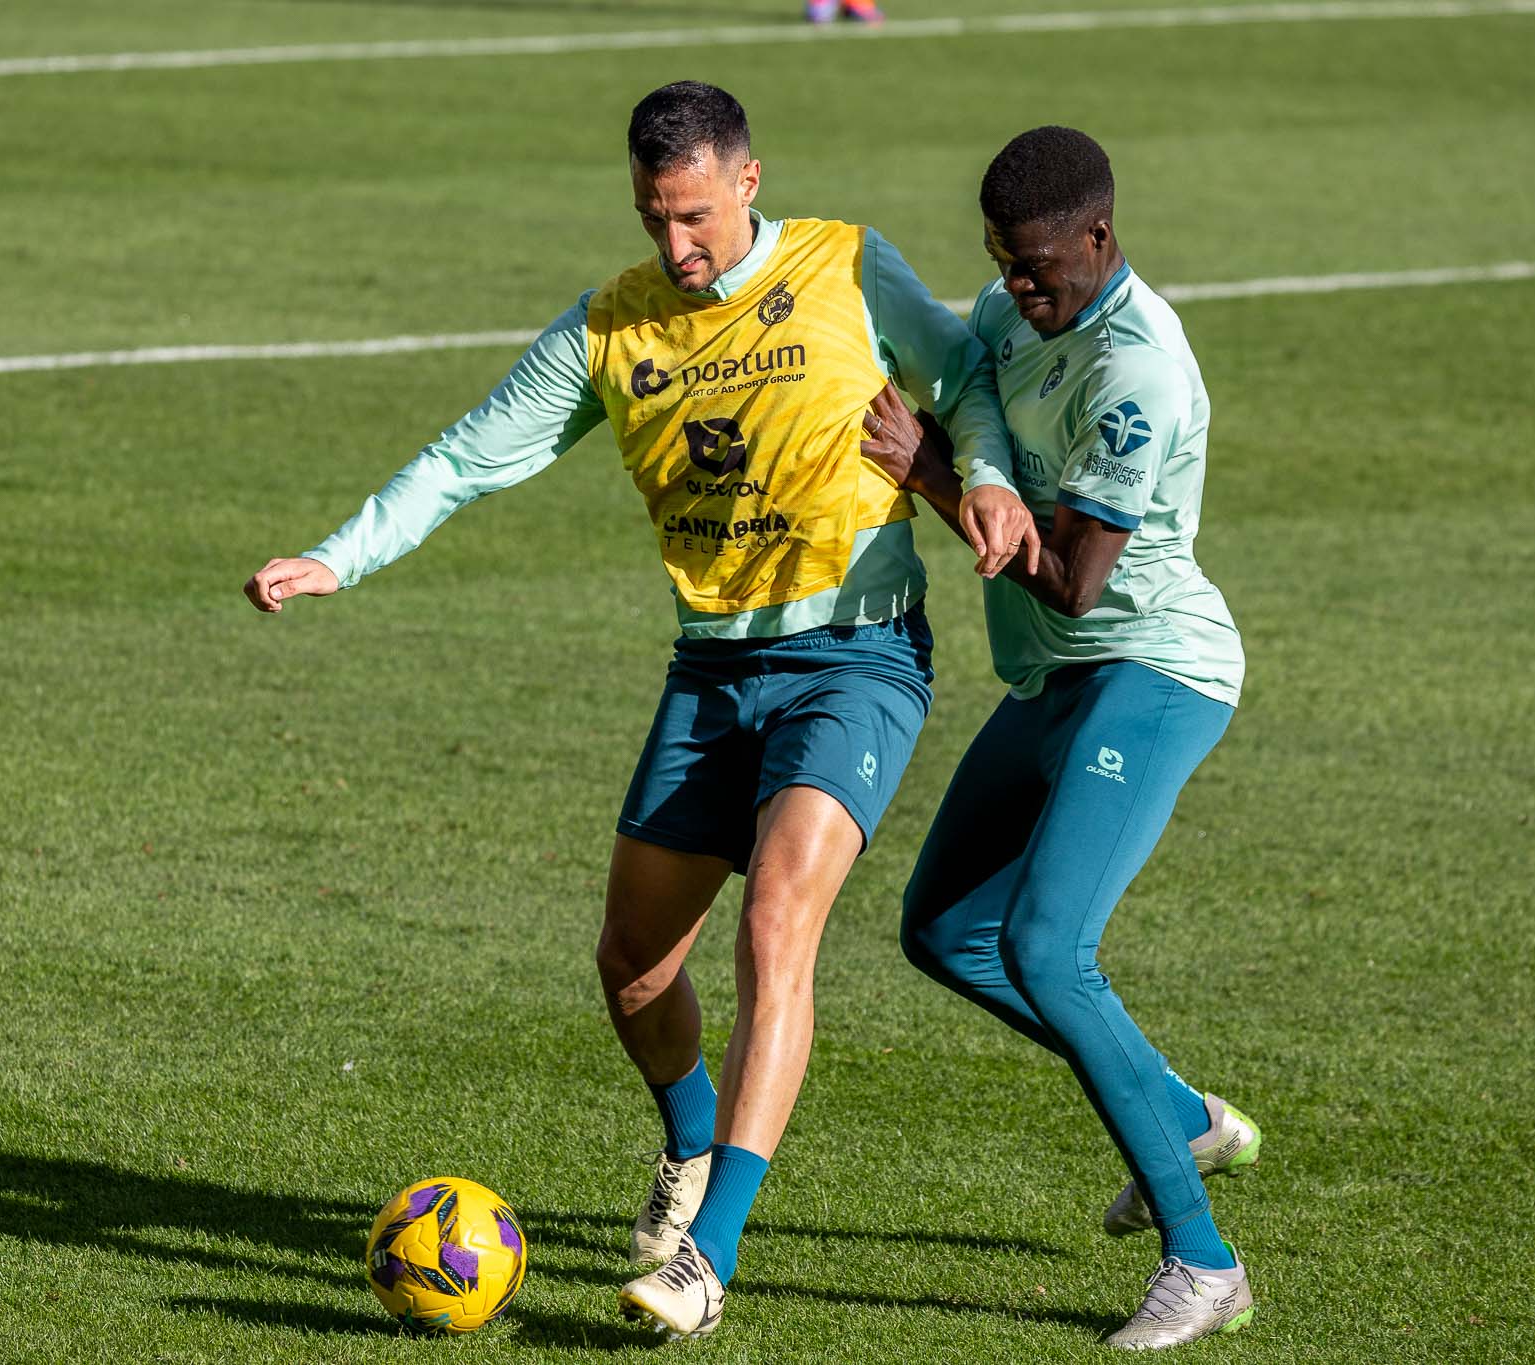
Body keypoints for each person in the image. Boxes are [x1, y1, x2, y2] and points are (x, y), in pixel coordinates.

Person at [242, 82, 1034, 1340]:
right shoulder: (610, 328)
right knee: (630, 964)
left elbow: (968, 375)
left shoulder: (848, 266)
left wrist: (982, 474)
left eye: (695, 216)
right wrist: (340, 554)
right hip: (711, 671)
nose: (676, 246)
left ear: (748, 182)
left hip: (856, 659)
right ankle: (685, 1144)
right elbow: (465, 455)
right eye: (653, 218)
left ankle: (707, 1254)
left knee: (778, 923)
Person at [859, 126, 1259, 1351]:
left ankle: (1203, 1262)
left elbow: (1079, 581)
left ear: (1098, 236)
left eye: (1039, 267)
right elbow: (971, 371)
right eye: (1000, 264)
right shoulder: (1014, 308)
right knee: (940, 931)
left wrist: (937, 478)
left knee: (1044, 943)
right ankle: (1177, 1111)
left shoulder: (1137, 367)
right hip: (1052, 684)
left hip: (1148, 669)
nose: (1018, 290)